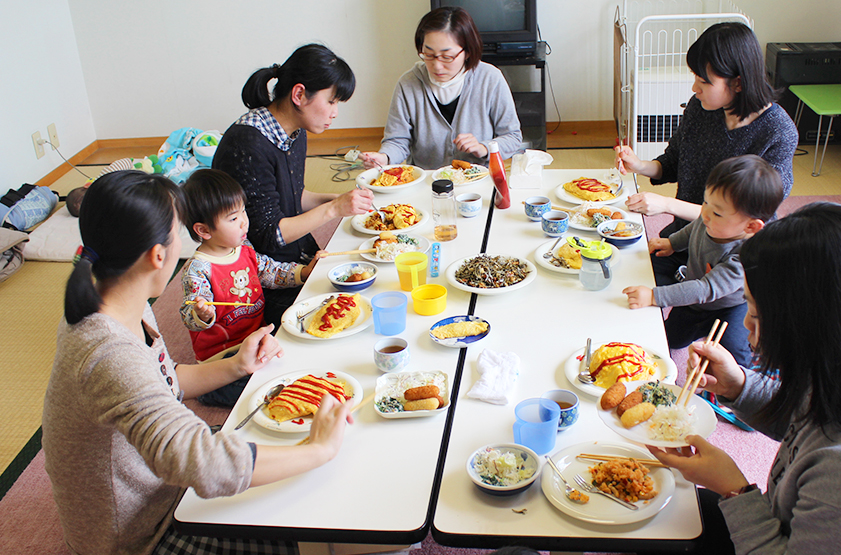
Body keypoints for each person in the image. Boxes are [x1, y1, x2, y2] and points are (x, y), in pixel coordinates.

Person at [43, 170, 354, 555]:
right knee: (317, 532)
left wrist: (238, 364)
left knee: (302, 460)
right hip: (146, 530)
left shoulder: (122, 299)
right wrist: (317, 450)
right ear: (159, 255)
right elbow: (202, 464)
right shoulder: (106, 351)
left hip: (169, 483)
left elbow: (165, 383)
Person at [650, 202, 841, 554]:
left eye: (755, 316)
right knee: (659, 509)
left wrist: (734, 489)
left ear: (810, 328)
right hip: (787, 522)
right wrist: (739, 386)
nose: (745, 326)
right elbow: (807, 421)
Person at [213, 44, 374, 327]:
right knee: (347, 315)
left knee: (369, 277)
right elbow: (269, 235)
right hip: (262, 277)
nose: (335, 113)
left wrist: (337, 200)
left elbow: (292, 196)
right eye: (332, 102)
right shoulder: (248, 144)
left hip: (297, 253)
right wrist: (334, 209)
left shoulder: (295, 130)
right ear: (299, 94)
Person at [616, 22, 797, 271]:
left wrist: (667, 205)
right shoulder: (701, 107)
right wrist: (640, 165)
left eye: (704, 81)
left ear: (739, 83)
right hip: (686, 238)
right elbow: (673, 162)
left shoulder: (778, 132)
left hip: (733, 254)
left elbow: (744, 215)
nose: (694, 88)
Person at [623, 155, 783, 367]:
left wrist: (655, 296)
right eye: (705, 201)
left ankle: (751, 372)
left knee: (733, 351)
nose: (705, 213)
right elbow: (693, 229)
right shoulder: (709, 219)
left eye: (716, 212)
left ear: (750, 227)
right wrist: (672, 243)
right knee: (671, 338)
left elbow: (705, 289)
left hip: (729, 307)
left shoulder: (745, 256)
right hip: (696, 303)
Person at [179, 169, 317, 406]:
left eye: (243, 211)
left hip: (255, 336)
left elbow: (268, 271)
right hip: (223, 356)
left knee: (301, 342)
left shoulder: (243, 247)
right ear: (203, 231)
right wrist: (202, 313)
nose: (244, 221)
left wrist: (303, 272)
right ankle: (209, 390)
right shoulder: (198, 269)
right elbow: (189, 311)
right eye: (233, 219)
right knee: (263, 388)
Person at [359, 6, 522, 170]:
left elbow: (512, 137)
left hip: (476, 180)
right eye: (428, 55)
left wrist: (484, 147)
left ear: (467, 52)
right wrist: (384, 157)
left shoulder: (490, 79)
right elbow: (397, 140)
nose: (437, 66)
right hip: (427, 182)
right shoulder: (408, 83)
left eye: (447, 57)